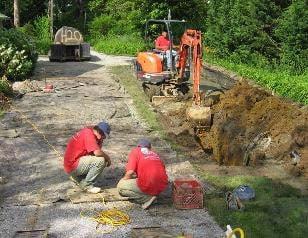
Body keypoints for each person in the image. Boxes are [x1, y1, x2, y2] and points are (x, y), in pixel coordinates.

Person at [117, 139, 168, 209]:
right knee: (145, 181)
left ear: (138, 146)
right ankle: (154, 193)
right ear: (149, 148)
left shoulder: (135, 151)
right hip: (162, 184)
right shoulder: (154, 154)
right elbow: (161, 169)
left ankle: (147, 198)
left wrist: (124, 179)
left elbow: (130, 172)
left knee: (120, 186)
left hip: (150, 183)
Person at [64, 121, 111, 194]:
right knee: (101, 160)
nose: (104, 138)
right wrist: (108, 158)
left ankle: (78, 178)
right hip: (72, 165)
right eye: (103, 135)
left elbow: (94, 153)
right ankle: (87, 185)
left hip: (74, 164)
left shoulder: (96, 136)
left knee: (97, 159)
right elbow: (97, 153)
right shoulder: (88, 133)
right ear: (99, 131)